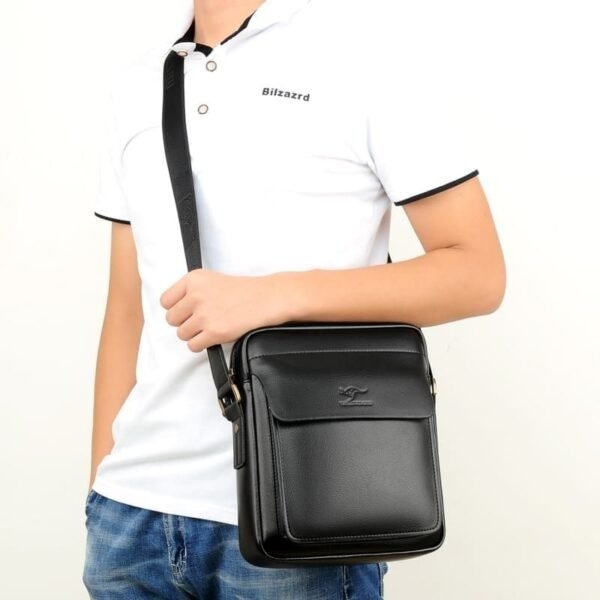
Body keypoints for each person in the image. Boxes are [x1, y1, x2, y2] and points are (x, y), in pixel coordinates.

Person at [82, 0, 506, 598]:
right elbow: (128, 306)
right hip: (130, 519)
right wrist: (101, 485)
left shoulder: (363, 58)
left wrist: (273, 297)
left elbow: (477, 273)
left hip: (302, 507)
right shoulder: (137, 81)